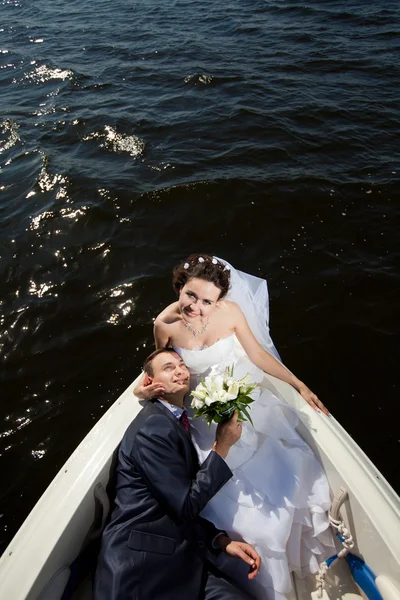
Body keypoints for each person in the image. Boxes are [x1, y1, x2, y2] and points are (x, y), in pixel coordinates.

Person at [134, 255, 335, 600]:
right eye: (191, 296)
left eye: (207, 301)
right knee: (225, 503)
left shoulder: (230, 314)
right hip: (200, 415)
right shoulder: (164, 324)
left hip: (237, 401)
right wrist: (143, 390)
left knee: (284, 476)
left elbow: (257, 355)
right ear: (180, 286)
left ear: (220, 301)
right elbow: (156, 369)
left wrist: (299, 384)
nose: (196, 307)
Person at [94, 348, 261, 600]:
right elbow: (185, 505)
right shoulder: (152, 429)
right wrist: (222, 446)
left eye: (181, 364)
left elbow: (172, 501)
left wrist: (219, 540)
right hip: (142, 571)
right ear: (150, 382)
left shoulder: (172, 420)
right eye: (168, 367)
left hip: (184, 560)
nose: (180, 370)